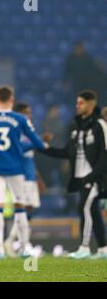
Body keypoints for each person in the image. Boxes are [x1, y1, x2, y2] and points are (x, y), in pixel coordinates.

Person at [0, 86, 47, 258]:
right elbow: (37, 143)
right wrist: (32, 145)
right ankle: (24, 247)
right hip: (16, 168)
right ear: (12, 99)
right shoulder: (20, 119)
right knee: (20, 207)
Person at [41, 90, 107, 259]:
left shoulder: (100, 125)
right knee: (93, 211)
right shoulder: (74, 126)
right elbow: (67, 152)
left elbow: (104, 155)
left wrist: (94, 176)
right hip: (79, 176)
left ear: (91, 105)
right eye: (77, 103)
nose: (77, 106)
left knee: (83, 207)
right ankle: (103, 249)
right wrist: (46, 149)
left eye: (81, 103)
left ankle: (84, 247)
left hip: (94, 176)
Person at [4, 103, 46, 258]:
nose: (30, 116)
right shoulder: (16, 131)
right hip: (21, 176)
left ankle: (21, 244)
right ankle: (17, 243)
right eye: (26, 113)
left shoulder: (28, 131)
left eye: (30, 113)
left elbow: (30, 157)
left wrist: (38, 177)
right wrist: (38, 141)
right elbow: (19, 149)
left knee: (29, 211)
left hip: (29, 175)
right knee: (24, 210)